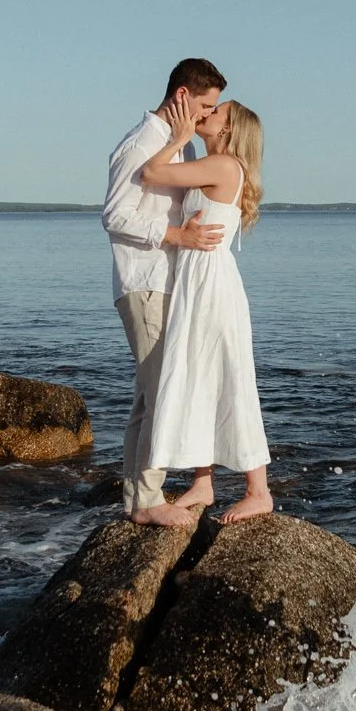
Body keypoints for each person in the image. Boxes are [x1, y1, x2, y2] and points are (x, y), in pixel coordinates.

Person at [103, 58, 229, 527]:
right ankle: (148, 501)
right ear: (181, 96)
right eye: (203, 106)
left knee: (145, 397)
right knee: (161, 393)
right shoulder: (143, 144)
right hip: (145, 282)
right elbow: (115, 216)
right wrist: (178, 237)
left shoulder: (173, 147)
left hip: (161, 283)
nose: (205, 116)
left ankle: (139, 500)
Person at [140, 93, 271, 522]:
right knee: (200, 373)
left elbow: (153, 171)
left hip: (211, 284)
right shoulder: (214, 163)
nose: (207, 114)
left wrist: (176, 137)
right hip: (198, 279)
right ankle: (203, 480)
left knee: (228, 374)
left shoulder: (223, 165)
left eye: (217, 112)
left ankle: (259, 490)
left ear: (229, 130)